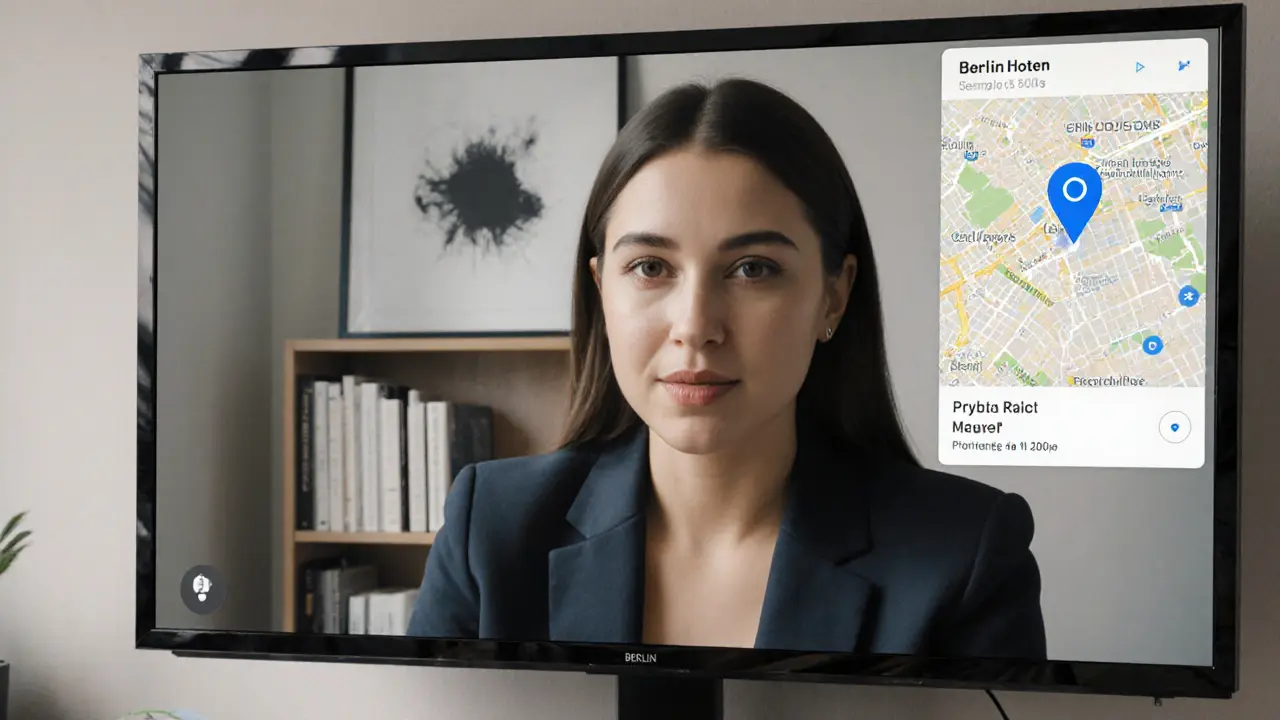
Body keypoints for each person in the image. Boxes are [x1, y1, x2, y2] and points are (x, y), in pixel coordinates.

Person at [405, 77, 1046, 660]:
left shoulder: (966, 555)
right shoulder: (487, 530)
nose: (695, 326)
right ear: (602, 290)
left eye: (752, 269)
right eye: (651, 267)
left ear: (833, 295)